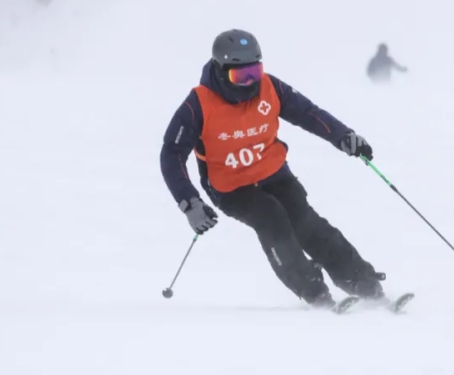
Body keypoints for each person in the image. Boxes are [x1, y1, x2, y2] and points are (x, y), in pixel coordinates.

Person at [159, 29, 386, 308]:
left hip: (274, 174)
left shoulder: (270, 88)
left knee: (307, 223)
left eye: (254, 72)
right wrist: (189, 202)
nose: (249, 83)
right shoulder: (197, 105)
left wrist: (343, 136)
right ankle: (312, 290)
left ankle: (362, 282)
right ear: (220, 71)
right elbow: (171, 154)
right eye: (239, 76)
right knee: (272, 218)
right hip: (230, 187)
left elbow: (308, 113)